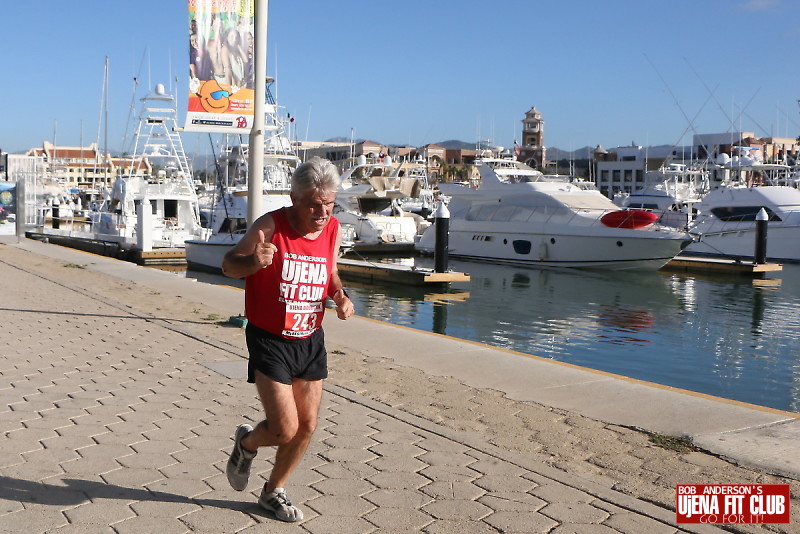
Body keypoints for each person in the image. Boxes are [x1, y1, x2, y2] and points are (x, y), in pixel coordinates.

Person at [221, 156, 354, 522]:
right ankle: (246, 444)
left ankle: (272, 492)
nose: (322, 212)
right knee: (284, 428)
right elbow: (228, 265)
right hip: (270, 339)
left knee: (307, 426)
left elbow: (330, 270)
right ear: (294, 198)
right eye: (314, 204)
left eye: (329, 204)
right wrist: (254, 263)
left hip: (310, 339)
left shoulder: (333, 228)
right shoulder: (271, 226)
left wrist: (339, 295)